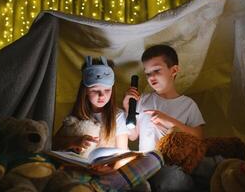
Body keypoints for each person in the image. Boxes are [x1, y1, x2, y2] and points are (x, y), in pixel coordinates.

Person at [51, 56, 163, 192]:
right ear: (85, 91)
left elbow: (122, 154)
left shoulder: (118, 116)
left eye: (107, 90)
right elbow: (55, 144)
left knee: (152, 161)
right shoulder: (76, 116)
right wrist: (75, 141)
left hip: (109, 173)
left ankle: (100, 186)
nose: (101, 96)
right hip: (81, 169)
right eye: (95, 91)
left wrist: (109, 169)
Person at [122, 44, 205, 191]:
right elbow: (133, 136)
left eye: (157, 71)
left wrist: (169, 121)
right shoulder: (143, 101)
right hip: (147, 165)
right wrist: (128, 108)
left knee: (171, 178)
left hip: (173, 166)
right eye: (147, 73)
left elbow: (199, 137)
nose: (151, 77)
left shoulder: (188, 105)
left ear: (173, 70)